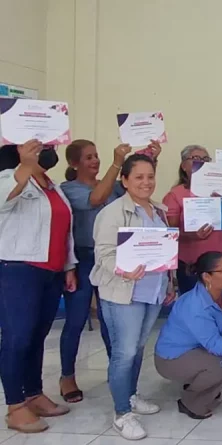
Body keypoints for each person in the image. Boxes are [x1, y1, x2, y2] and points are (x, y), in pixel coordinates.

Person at [91, 154, 176, 440]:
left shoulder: (158, 211)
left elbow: (165, 252)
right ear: (124, 180)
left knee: (138, 348)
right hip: (123, 294)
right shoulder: (113, 212)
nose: (146, 182)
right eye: (138, 177)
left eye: (150, 176)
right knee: (123, 353)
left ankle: (130, 396)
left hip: (152, 291)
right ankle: (121, 413)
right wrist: (125, 271)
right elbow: (103, 255)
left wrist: (170, 282)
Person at [0, 141, 77, 433]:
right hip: (19, 270)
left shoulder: (50, 184)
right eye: (39, 144)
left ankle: (33, 393)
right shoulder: (10, 177)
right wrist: (25, 164)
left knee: (37, 336)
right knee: (17, 338)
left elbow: (63, 228)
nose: (48, 148)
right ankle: (15, 406)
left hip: (52, 271)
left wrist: (69, 265)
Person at [60, 139, 135, 402]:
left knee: (110, 320)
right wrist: (117, 162)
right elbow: (95, 199)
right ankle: (67, 376)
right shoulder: (68, 189)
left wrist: (151, 157)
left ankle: (117, 371)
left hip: (112, 259)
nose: (95, 161)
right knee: (76, 319)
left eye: (96, 156)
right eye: (88, 157)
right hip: (83, 259)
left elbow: (131, 187)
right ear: (74, 163)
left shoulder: (114, 186)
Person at [154, 252, 222, 419]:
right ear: (207, 277)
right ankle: (190, 402)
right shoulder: (194, 305)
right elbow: (215, 345)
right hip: (173, 357)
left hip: (204, 349)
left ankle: (207, 388)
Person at [162, 145, 222, 294]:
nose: (201, 163)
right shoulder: (175, 195)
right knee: (194, 309)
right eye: (195, 159)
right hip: (193, 266)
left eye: (205, 159)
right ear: (184, 166)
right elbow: (169, 232)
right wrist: (192, 235)